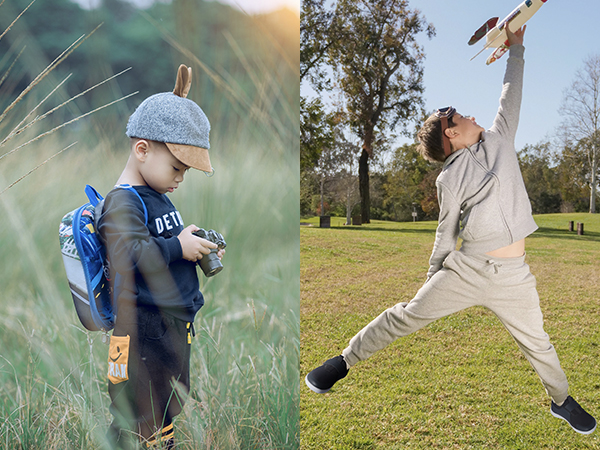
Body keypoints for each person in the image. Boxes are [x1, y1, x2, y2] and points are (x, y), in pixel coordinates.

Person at [305, 26, 596, 435]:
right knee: (406, 315)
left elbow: (511, 93)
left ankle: (562, 402)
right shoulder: (449, 178)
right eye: (460, 117)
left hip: (514, 276)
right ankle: (342, 362)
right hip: (468, 268)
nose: (471, 115)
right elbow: (446, 230)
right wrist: (433, 279)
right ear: (453, 135)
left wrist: (517, 48)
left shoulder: (499, 138)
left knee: (540, 344)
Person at [98, 64, 225, 449]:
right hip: (140, 328)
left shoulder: (157, 197)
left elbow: (159, 243)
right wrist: (178, 247)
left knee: (166, 399)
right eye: (176, 167)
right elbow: (130, 254)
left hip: (166, 325)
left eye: (185, 170)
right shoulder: (122, 202)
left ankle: (156, 439)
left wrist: (188, 240)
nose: (180, 178)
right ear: (142, 149)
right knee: (140, 406)